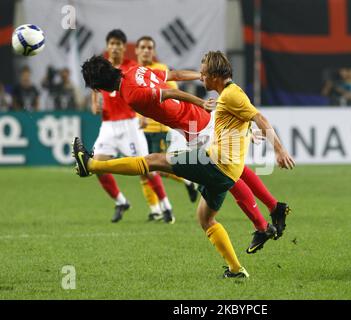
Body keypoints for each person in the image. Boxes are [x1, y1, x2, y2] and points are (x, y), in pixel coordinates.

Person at [73, 51, 295, 278]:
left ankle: (262, 225)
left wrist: (202, 101)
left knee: (160, 163)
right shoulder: (135, 70)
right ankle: (271, 212)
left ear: (99, 88)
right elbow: (175, 75)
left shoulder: (131, 95)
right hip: (197, 123)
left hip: (195, 126)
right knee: (222, 189)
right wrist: (202, 78)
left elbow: (170, 91)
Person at [90, 29, 175, 224]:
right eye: (111, 43)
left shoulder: (131, 67)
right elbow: (95, 89)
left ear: (123, 47)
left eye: (119, 44)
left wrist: (143, 114)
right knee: (97, 166)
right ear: (107, 46)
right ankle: (121, 202)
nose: (115, 47)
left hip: (130, 124)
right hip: (108, 125)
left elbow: (141, 92)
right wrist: (94, 103)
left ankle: (166, 206)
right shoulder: (101, 67)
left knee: (147, 168)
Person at [135, 36, 198, 221]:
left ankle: (186, 183)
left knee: (156, 169)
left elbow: (173, 94)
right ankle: (155, 210)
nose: (146, 51)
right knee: (142, 170)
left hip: (158, 128)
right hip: (138, 130)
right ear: (137, 50)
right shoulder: (134, 71)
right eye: (143, 47)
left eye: (149, 48)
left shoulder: (161, 70)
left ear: (153, 51)